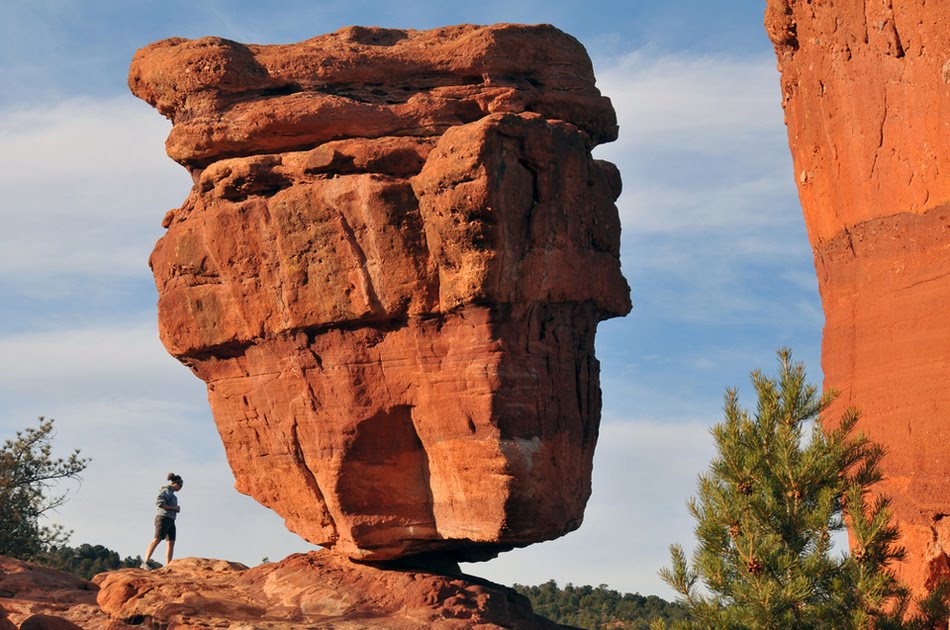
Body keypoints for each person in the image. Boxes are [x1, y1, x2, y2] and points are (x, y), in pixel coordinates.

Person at [142, 472, 183, 569]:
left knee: (171, 542)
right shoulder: (166, 491)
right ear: (175, 483)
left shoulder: (173, 496)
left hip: (171, 520)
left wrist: (175, 509)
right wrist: (173, 508)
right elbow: (159, 503)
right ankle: (145, 562)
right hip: (163, 518)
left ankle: (168, 565)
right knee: (157, 539)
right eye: (180, 485)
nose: (181, 487)